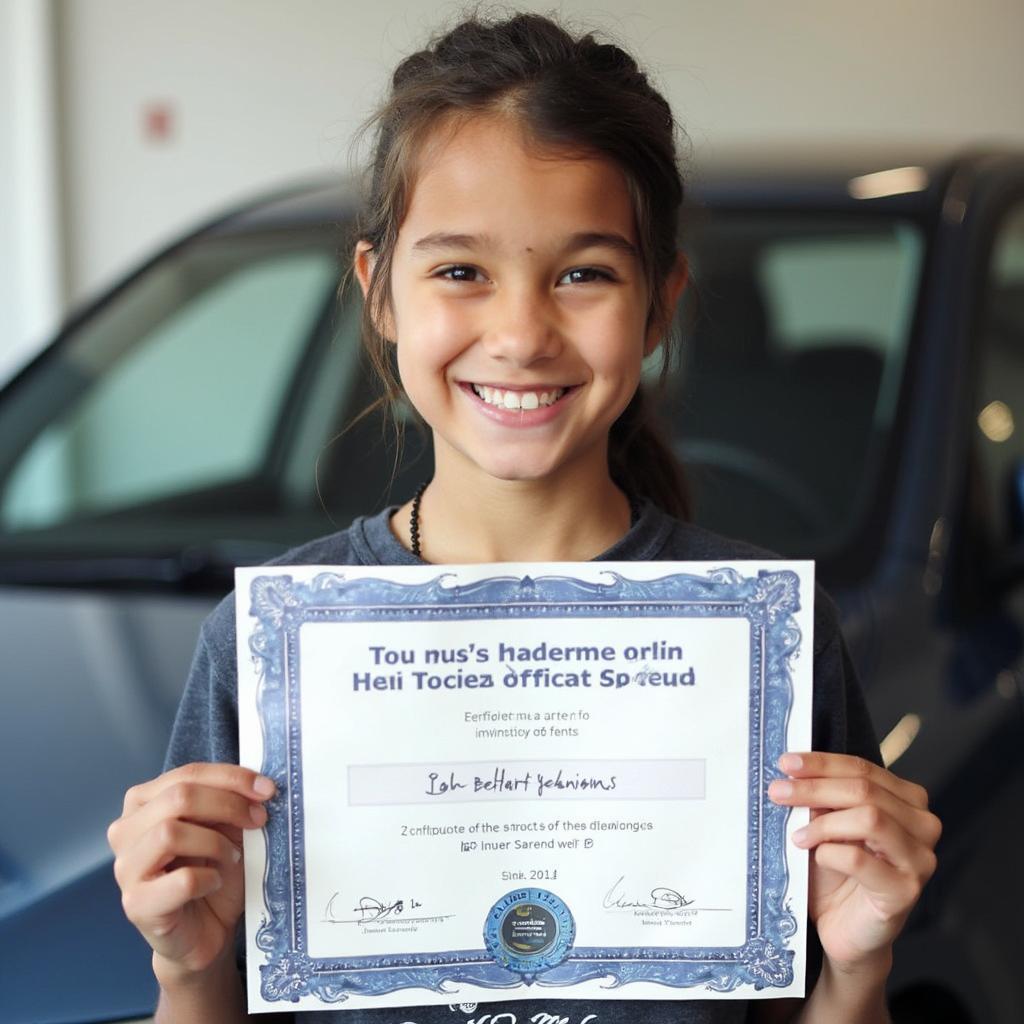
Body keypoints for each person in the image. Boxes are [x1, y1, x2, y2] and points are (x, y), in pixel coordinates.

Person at [106, 11, 941, 1024]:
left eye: (583, 273)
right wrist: (188, 970)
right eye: (460, 270)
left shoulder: (773, 645)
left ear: (659, 302)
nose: (518, 333)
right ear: (379, 292)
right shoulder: (260, 651)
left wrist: (856, 969)